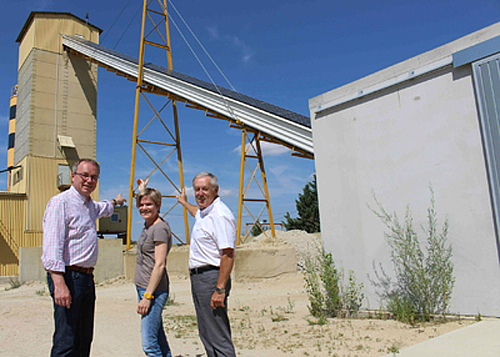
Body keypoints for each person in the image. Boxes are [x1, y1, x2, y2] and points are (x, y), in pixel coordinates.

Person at [41, 158, 126, 357]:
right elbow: (52, 245)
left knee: (83, 338)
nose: (89, 180)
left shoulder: (89, 205)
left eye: (94, 177)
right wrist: (59, 283)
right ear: (73, 177)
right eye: (84, 175)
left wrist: (116, 201)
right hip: (68, 277)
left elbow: (105, 208)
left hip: (86, 279)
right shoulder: (60, 203)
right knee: (66, 339)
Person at [177, 172, 237, 357]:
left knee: (217, 334)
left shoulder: (220, 215)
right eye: (197, 189)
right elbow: (198, 213)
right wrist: (184, 202)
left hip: (212, 278)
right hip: (200, 278)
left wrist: (219, 289)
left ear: (216, 190)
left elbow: (228, 254)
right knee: (207, 332)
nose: (200, 193)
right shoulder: (206, 213)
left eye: (205, 189)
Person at [134, 179, 173, 357]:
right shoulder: (148, 224)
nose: (144, 208)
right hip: (144, 287)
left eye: (149, 204)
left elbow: (160, 264)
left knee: (149, 344)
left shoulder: (159, 229)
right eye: (141, 205)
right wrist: (141, 191)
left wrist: (147, 297)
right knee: (158, 337)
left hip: (154, 291)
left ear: (158, 205)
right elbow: (143, 203)